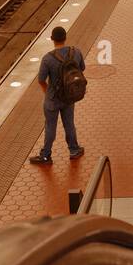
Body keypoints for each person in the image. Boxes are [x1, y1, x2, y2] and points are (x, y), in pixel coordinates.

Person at [29, 26, 86, 166]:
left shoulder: (48, 59)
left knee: (50, 127)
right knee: (69, 124)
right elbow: (82, 68)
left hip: (52, 100)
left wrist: (48, 92)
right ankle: (74, 150)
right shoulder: (76, 52)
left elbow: (41, 80)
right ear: (65, 37)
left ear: (52, 40)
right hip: (69, 97)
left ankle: (46, 156)